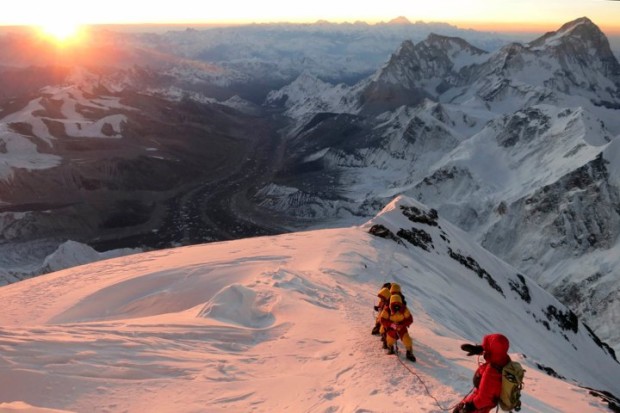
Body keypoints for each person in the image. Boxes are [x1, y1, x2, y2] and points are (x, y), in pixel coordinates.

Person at [453, 333, 511, 413]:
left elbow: (484, 398)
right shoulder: (503, 360)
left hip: (478, 407)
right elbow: (497, 349)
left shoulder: (492, 371)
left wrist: (468, 407)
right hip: (482, 403)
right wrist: (481, 348)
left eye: (487, 346)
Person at [380, 293, 416, 362]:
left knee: (407, 339)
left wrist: (402, 324)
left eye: (398, 304)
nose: (396, 306)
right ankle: (391, 348)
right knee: (390, 339)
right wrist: (391, 324)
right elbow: (382, 320)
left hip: (401, 328)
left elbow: (410, 319)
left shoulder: (404, 309)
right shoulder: (387, 310)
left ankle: (409, 352)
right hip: (391, 328)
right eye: (394, 304)